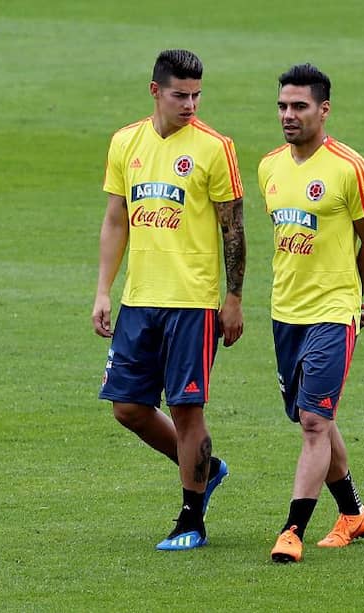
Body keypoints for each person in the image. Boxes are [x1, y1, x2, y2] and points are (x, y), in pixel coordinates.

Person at [91, 49, 246, 551]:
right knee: (128, 408)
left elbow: (233, 229)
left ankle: (191, 519)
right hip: (140, 299)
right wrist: (103, 291)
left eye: (197, 94)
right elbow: (117, 219)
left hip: (193, 304)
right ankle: (208, 468)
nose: (191, 104)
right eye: (181, 94)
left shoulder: (215, 148)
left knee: (186, 411)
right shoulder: (125, 142)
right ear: (156, 90)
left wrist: (234, 298)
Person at [258, 63, 364, 563]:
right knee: (318, 417)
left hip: (332, 312)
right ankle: (353, 513)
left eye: (299, 106)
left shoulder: (349, 167)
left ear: (323, 110)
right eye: (282, 106)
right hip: (285, 311)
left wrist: (352, 297)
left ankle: (292, 530)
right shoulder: (270, 165)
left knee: (313, 421)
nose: (288, 115)